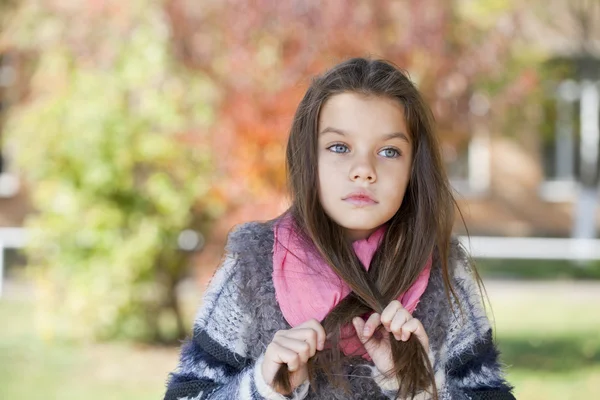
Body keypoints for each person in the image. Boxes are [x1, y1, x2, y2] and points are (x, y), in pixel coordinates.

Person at [163, 57, 516, 400]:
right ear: (308, 158)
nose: (364, 170)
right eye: (339, 147)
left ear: (414, 169)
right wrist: (265, 387)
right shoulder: (252, 263)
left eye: (389, 151)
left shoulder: (445, 269)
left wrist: (419, 388)